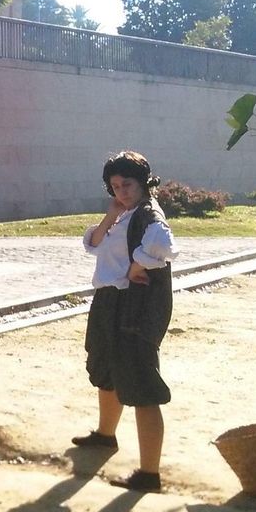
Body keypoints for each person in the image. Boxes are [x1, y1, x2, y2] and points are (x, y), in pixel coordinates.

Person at [71, 150, 178, 494]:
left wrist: (138, 265)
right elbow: (92, 244)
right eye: (115, 186)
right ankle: (105, 435)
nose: (121, 192)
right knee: (106, 369)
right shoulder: (123, 213)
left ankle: (150, 473)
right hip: (110, 300)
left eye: (127, 184)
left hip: (134, 306)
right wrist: (110, 216)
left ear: (144, 182)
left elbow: (162, 244)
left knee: (140, 381)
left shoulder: (148, 214)